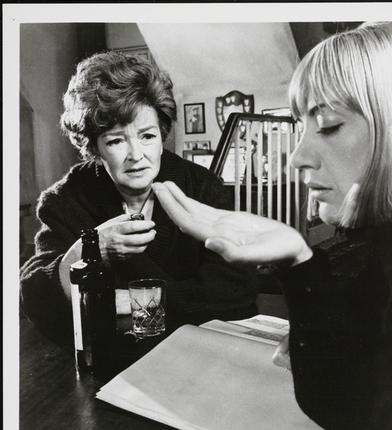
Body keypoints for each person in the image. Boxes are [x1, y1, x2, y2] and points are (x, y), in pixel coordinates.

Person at [152, 22, 392, 430]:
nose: (297, 157)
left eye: (329, 126)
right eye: (302, 128)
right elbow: (349, 393)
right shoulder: (375, 243)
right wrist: (299, 265)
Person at [20, 51, 257, 346]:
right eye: (116, 140)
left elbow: (239, 290)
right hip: (109, 353)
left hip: (195, 348)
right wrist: (89, 249)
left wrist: (135, 300)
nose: (136, 155)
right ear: (94, 147)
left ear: (161, 134)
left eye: (147, 136)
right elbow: (34, 298)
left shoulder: (202, 187)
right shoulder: (66, 199)